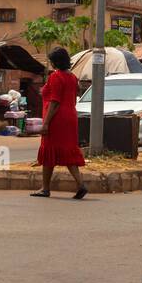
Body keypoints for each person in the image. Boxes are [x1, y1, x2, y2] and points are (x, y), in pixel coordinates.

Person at [32, 47, 87, 199]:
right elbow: (74, 94)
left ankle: (45, 188)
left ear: (55, 62)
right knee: (68, 150)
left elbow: (55, 102)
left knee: (49, 150)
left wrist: (46, 123)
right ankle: (80, 184)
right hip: (70, 117)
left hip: (57, 118)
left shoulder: (55, 77)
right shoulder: (73, 77)